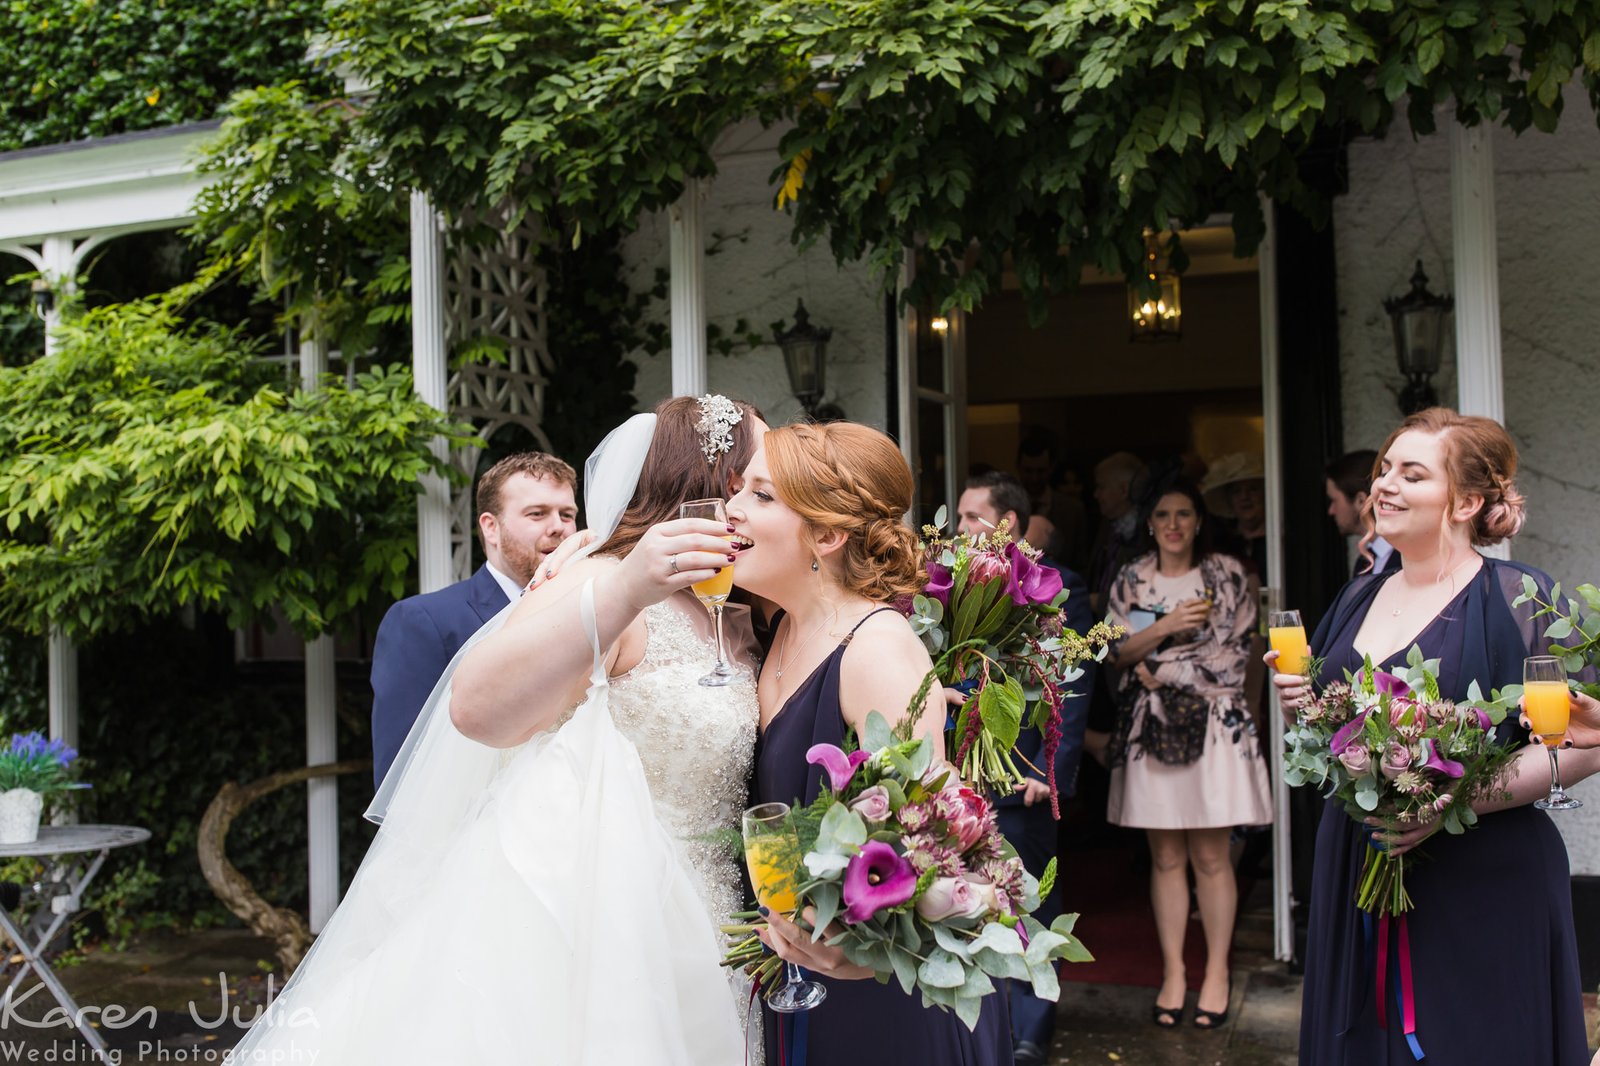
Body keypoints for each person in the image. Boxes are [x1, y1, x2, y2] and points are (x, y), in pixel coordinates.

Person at [230, 395, 767, 1064]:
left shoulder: (742, 607)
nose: (765, 498)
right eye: (755, 480)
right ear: (708, 484)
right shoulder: (606, 581)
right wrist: (623, 583)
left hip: (720, 922)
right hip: (600, 920)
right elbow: (476, 708)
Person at [1270, 407, 1597, 1066]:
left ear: (1467, 500)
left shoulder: (1522, 599)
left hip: (1481, 878)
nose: (1383, 485)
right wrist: (1299, 706)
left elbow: (1583, 744)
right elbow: (1327, 736)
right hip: (1360, 861)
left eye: (1411, 474)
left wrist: (1454, 801)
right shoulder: (1358, 595)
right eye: (1383, 469)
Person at [734, 422, 1012, 1066]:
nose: (733, 510)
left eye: (761, 496)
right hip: (803, 972)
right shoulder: (777, 627)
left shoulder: (876, 650)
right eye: (738, 491)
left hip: (882, 994)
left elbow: (938, 839)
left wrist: (865, 955)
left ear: (827, 537)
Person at [1104, 477, 1271, 1031]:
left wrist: (1157, 663)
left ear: (1199, 522)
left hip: (1215, 731)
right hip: (1151, 732)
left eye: (1183, 514)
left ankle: (1217, 972)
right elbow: (1112, 652)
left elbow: (1231, 657)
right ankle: (1175, 973)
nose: (1173, 524)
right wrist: (1170, 629)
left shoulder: (1225, 575)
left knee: (1211, 857)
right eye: (1163, 515)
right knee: (1167, 858)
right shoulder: (1131, 577)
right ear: (1149, 524)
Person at [957, 469, 1094, 1065]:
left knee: (1029, 896)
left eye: (969, 516)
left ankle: (1031, 1028)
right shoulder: (948, 583)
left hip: (1023, 776)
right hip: (961, 771)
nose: (958, 527)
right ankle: (982, 1022)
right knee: (967, 898)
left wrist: (1047, 769)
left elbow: (1074, 683)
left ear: (1005, 523)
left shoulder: (1061, 589)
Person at [368, 451, 578, 787]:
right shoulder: (422, 621)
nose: (559, 527)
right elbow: (400, 775)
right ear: (491, 528)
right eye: (537, 514)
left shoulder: (585, 613)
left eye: (567, 514)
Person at [1018, 432, 1089, 572]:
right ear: (1018, 467)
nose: (1034, 478)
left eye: (1041, 471)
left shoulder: (1073, 510)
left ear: (1051, 468)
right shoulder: (1007, 508)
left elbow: (1081, 561)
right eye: (1028, 471)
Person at [1324, 449, 1399, 577]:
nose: (1331, 510)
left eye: (1334, 500)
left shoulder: (1410, 558)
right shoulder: (1363, 563)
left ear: (1360, 500)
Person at [1200, 451, 1267, 579]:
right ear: (1229, 500)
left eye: (1253, 489)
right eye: (1237, 491)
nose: (1244, 497)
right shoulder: (1220, 542)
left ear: (1265, 493)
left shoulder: (1277, 540)